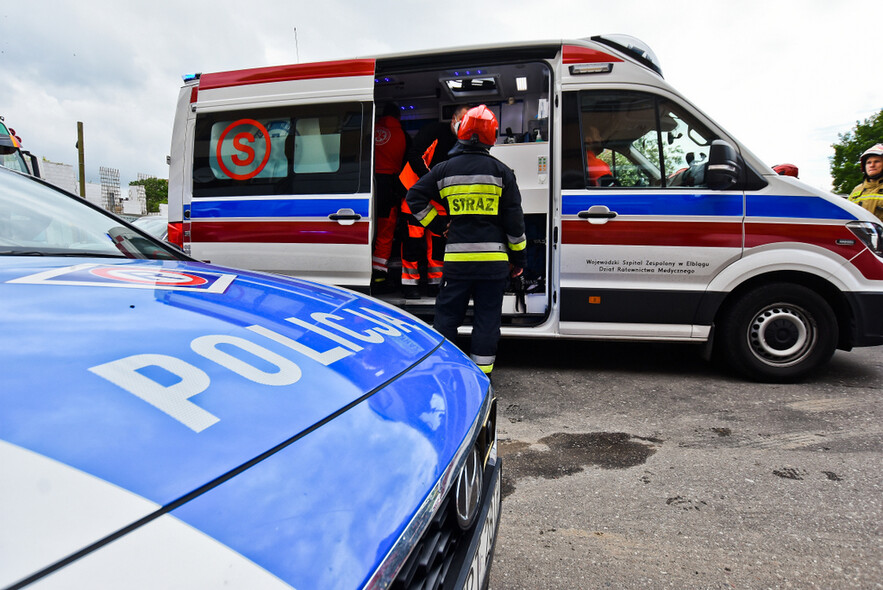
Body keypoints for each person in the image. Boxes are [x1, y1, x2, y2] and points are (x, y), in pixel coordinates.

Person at [405, 104, 526, 376]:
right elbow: (515, 224)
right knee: (487, 320)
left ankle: (444, 373)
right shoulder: (503, 172)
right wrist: (518, 261)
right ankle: (482, 377)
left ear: (461, 132)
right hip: (493, 265)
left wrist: (438, 226)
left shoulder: (444, 169)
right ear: (492, 136)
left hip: (457, 263)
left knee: (447, 319)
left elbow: (414, 198)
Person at [398, 105, 469, 298]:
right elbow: (415, 156)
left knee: (438, 243)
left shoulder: (465, 144)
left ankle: (435, 283)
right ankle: (409, 284)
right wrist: (429, 182)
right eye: (462, 120)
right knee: (412, 241)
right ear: (454, 120)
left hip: (439, 199)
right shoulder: (434, 132)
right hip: (414, 193)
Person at [371, 103, 409, 289]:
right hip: (390, 186)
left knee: (368, 228)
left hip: (370, 185)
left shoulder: (370, 130)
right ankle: (379, 274)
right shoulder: (403, 135)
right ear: (398, 117)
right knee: (385, 232)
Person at [848, 144, 883, 222]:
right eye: (868, 163)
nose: (872, 165)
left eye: (877, 161)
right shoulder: (857, 190)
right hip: (860, 233)